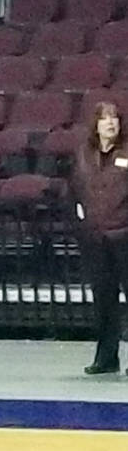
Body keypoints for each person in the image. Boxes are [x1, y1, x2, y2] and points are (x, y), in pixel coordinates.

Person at [76, 102, 128, 375]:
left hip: (124, 234)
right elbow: (76, 191)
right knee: (103, 300)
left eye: (115, 118)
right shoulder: (83, 154)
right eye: (105, 118)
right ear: (95, 124)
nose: (111, 123)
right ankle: (106, 358)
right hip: (95, 238)